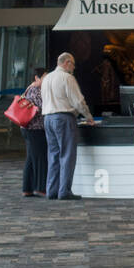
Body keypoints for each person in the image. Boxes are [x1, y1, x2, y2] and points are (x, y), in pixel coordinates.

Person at [41, 52, 94, 200]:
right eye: (73, 64)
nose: (74, 67)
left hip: (48, 118)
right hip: (63, 118)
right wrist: (88, 117)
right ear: (66, 63)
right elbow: (78, 101)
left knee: (53, 155)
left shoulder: (47, 79)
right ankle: (64, 191)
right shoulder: (67, 78)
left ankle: (51, 190)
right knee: (67, 155)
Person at [18, 68, 47, 197]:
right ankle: (41, 188)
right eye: (45, 77)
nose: (47, 80)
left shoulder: (30, 88)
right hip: (35, 129)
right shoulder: (36, 90)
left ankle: (27, 188)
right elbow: (43, 106)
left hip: (28, 128)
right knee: (40, 159)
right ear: (37, 78)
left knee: (30, 159)